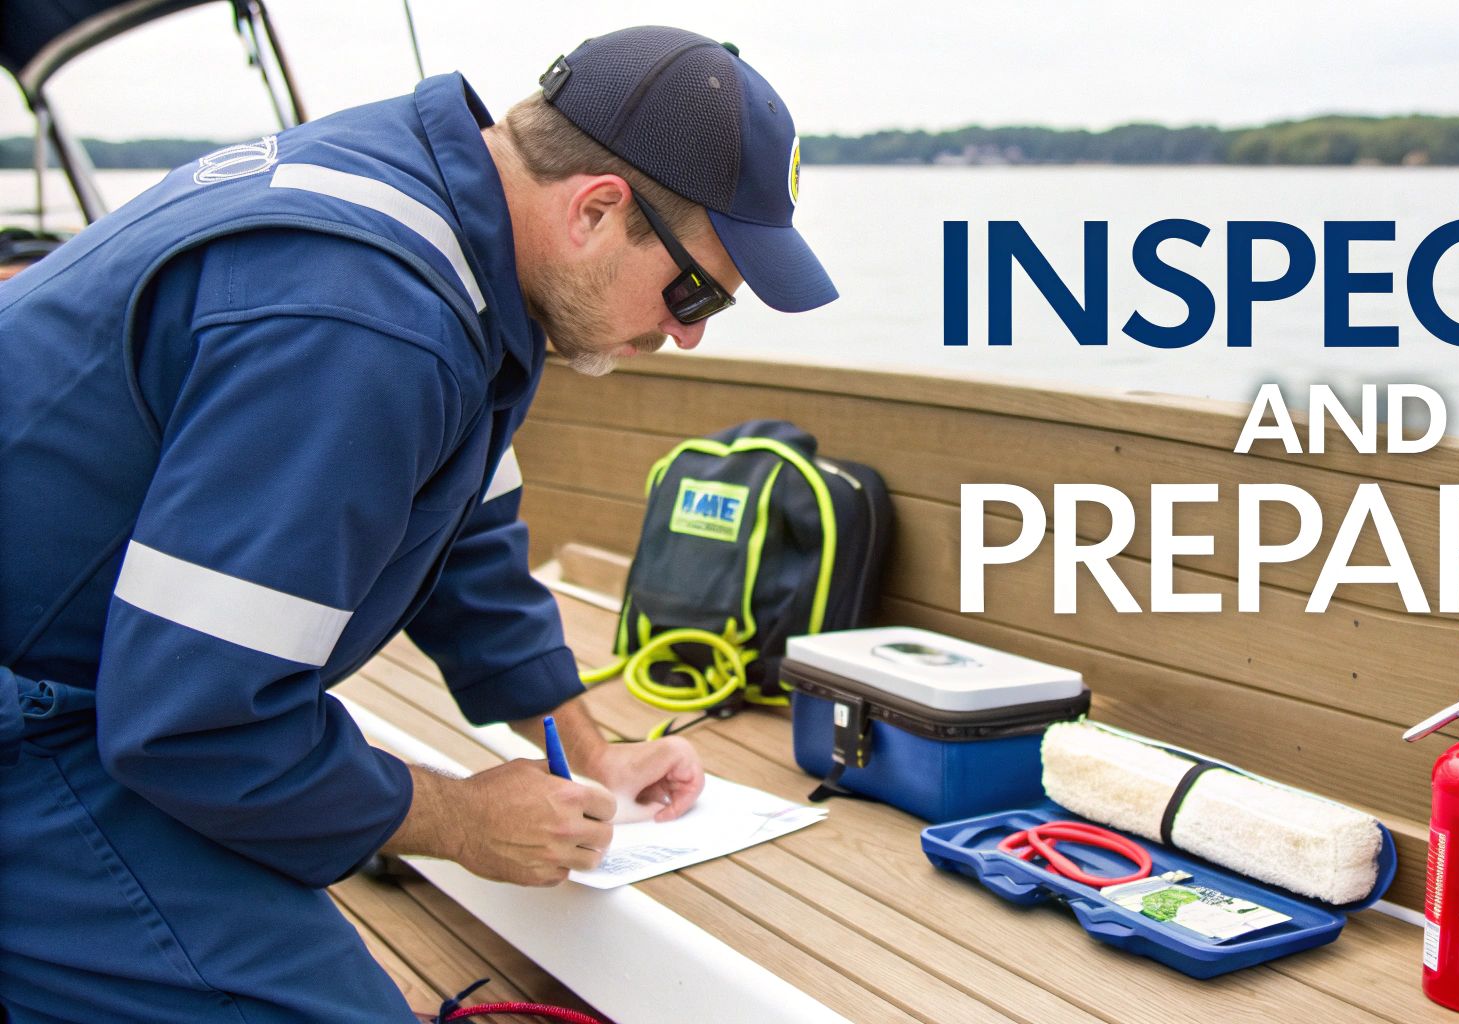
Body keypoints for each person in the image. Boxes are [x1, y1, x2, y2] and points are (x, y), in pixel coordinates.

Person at [0, 25, 835, 1023]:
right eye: (693, 289)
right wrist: (459, 819)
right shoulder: (370, 322)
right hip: (44, 720)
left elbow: (464, 542)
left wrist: (589, 750)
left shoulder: (447, 227)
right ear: (596, 209)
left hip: (106, 688)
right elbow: (193, 719)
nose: (687, 333)